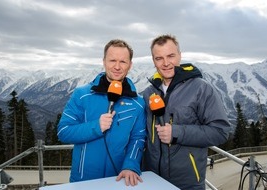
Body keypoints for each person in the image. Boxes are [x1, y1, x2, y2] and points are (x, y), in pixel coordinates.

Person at [142, 34, 231, 190]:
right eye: (159, 58)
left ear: (180, 56)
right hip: (152, 179)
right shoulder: (148, 92)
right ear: (153, 60)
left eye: (171, 56)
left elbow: (220, 131)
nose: (166, 63)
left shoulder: (200, 88)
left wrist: (177, 133)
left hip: (187, 183)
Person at [57, 39, 146, 186]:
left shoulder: (138, 102)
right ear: (104, 61)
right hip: (83, 180)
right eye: (112, 60)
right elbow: (64, 131)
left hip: (119, 179)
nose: (117, 66)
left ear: (130, 65)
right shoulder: (82, 94)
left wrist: (131, 165)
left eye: (123, 62)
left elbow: (138, 138)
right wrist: (96, 126)